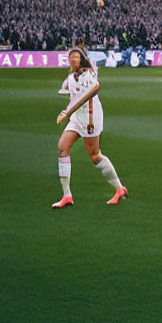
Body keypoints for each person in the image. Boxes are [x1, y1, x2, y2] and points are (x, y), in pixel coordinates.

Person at [53, 47, 127, 208]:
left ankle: (119, 188)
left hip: (91, 119)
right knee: (62, 148)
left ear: (82, 59)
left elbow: (93, 91)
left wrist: (68, 111)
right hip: (76, 118)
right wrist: (69, 111)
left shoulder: (89, 75)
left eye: (76, 57)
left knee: (95, 156)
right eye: (71, 57)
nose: (73, 60)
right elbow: (74, 97)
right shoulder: (71, 78)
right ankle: (67, 195)